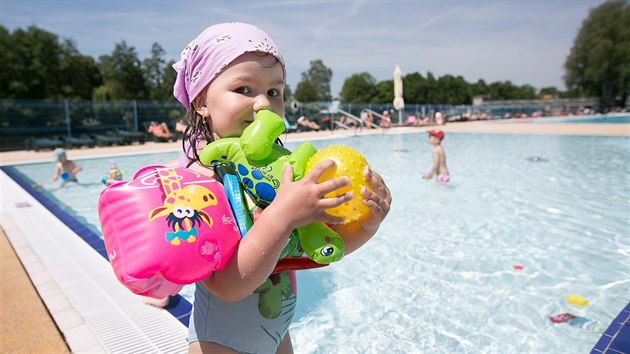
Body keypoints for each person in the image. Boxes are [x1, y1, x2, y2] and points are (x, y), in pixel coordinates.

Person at [172, 22, 391, 353]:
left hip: (276, 334)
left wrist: (367, 223)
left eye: (274, 92)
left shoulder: (282, 172)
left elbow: (326, 246)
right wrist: (284, 215)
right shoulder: (202, 180)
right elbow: (228, 287)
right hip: (220, 342)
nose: (263, 104)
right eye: (244, 89)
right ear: (202, 100)